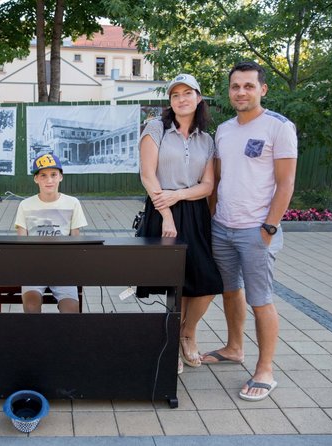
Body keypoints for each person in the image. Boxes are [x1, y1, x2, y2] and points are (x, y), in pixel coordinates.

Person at [204, 61, 298, 402]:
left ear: (262, 89)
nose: (241, 92)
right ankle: (233, 347)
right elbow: (217, 180)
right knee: (231, 292)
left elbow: (286, 183)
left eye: (248, 86)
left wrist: (269, 227)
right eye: (235, 86)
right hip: (223, 227)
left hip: (257, 230)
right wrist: (212, 218)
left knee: (261, 300)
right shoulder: (225, 130)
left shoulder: (279, 127)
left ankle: (265, 370)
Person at [138, 74, 224, 374]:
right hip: (162, 211)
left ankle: (187, 333)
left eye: (188, 93)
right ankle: (171, 342)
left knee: (206, 280)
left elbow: (208, 184)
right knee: (174, 283)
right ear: (170, 101)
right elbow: (148, 176)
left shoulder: (206, 139)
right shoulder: (155, 128)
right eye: (176, 94)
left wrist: (180, 195)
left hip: (195, 213)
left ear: (199, 98)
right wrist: (167, 213)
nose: (182, 99)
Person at [15, 153, 88, 313]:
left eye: (53, 175)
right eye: (43, 175)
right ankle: (37, 338)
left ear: (61, 177)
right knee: (31, 306)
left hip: (63, 267)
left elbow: (76, 239)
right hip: (33, 267)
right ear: (36, 179)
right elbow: (21, 242)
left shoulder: (72, 203)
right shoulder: (25, 205)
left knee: (71, 309)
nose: (49, 180)